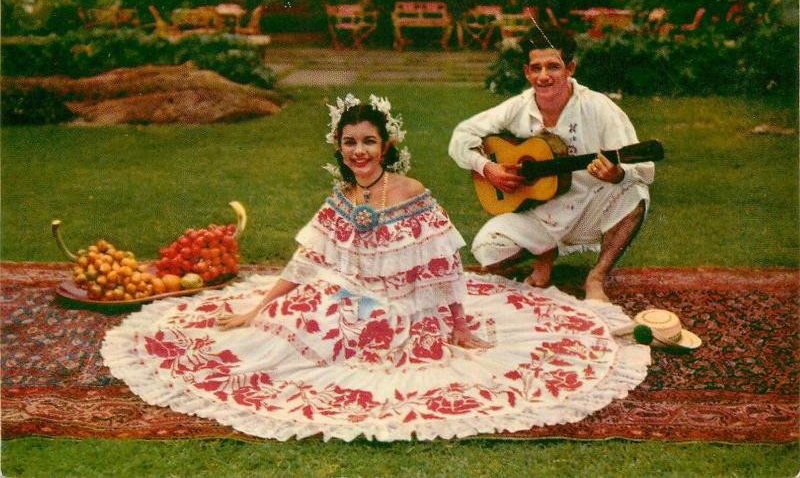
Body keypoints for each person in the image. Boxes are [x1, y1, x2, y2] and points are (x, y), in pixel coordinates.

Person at [102, 94, 649, 442]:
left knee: (344, 322)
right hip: (353, 291)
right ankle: (289, 321)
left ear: (386, 146)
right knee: (298, 306)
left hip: (406, 306)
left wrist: (458, 326)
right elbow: (308, 257)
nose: (359, 151)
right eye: (350, 143)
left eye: (368, 142)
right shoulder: (343, 194)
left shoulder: (410, 192)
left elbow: (443, 269)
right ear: (339, 150)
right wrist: (258, 305)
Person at [448, 26, 654, 302]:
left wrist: (616, 174)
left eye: (553, 67)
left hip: (587, 208)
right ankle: (545, 252)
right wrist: (488, 169)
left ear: (570, 68)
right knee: (487, 250)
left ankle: (596, 278)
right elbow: (461, 136)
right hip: (539, 215)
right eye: (536, 68)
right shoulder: (517, 108)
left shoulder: (599, 107)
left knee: (635, 192)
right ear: (526, 72)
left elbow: (640, 170)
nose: (543, 76)